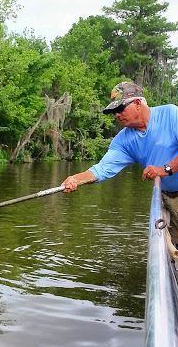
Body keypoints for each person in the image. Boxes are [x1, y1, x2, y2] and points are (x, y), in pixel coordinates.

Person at [62, 81, 178, 244]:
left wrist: (163, 169)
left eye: (119, 109)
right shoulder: (123, 140)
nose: (116, 115)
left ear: (137, 103)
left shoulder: (171, 115)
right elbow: (101, 169)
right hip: (170, 198)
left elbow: (162, 170)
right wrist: (76, 179)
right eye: (113, 111)